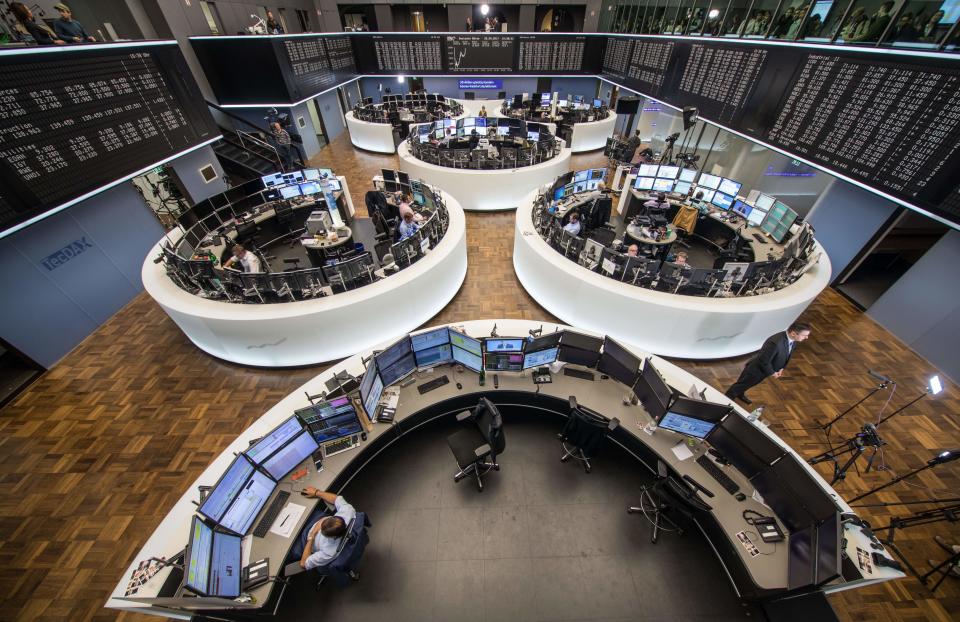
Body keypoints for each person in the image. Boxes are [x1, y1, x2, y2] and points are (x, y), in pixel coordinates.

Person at [724, 321, 812, 405]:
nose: (806, 338)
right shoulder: (775, 342)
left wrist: (781, 368)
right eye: (804, 335)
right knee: (740, 385)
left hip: (765, 370)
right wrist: (773, 373)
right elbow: (764, 361)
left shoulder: (793, 340)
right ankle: (726, 399)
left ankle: (740, 394)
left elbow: (786, 355)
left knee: (749, 384)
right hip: (757, 369)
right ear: (793, 333)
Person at [297, 488, 358, 574]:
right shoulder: (348, 512)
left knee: (290, 549)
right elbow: (337, 499)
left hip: (306, 539)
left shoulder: (329, 552)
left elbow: (303, 563)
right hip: (317, 518)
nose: (320, 529)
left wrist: (312, 536)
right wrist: (316, 492)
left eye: (322, 531)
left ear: (333, 537)